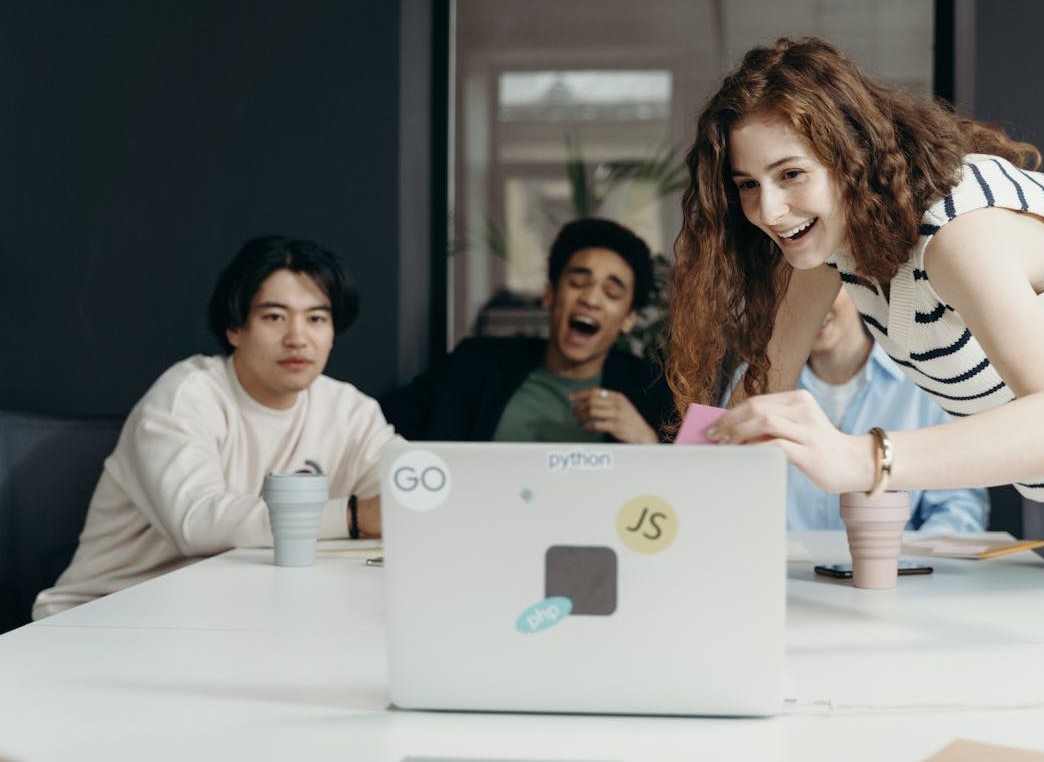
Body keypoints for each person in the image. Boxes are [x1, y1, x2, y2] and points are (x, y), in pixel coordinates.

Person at [666, 36, 1044, 706]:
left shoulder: (958, 236)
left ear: (849, 158)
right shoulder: (821, 248)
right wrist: (676, 534)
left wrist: (857, 458)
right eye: (747, 186)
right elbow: (761, 393)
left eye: (790, 175)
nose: (768, 212)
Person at [34, 237, 398, 619]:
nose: (297, 338)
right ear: (235, 329)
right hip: (100, 619)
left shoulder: (348, 409)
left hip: (222, 619)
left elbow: (408, 488)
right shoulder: (186, 397)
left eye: (316, 319)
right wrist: (355, 516)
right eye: (274, 317)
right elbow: (196, 522)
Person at [382, 218, 673, 443]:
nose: (591, 299)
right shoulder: (475, 365)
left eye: (611, 292)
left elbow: (690, 491)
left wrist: (646, 440)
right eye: (578, 283)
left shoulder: (650, 391)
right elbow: (380, 430)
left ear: (628, 319)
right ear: (550, 295)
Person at [735, 287, 987, 532]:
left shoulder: (922, 382)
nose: (810, 303)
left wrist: (909, 563)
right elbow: (732, 490)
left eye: (823, 288)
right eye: (786, 291)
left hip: (896, 570)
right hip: (784, 571)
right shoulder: (752, 385)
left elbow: (960, 507)